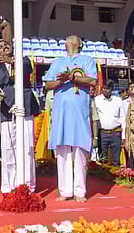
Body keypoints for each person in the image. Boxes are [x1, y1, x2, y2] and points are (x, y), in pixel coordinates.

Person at [42, 35, 97, 202]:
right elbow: (47, 84)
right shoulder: (58, 62)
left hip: (79, 112)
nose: (70, 39)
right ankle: (65, 191)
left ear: (80, 44)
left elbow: (92, 80)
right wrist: (61, 80)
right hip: (61, 112)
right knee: (63, 151)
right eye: (67, 38)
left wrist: (73, 78)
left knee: (80, 150)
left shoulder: (88, 60)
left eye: (74, 38)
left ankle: (80, 191)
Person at [0, 39, 41, 194]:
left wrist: (12, 62)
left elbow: (28, 70)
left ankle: (28, 185)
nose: (4, 47)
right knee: (8, 149)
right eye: (0, 47)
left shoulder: (24, 60)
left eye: (6, 45)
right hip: (7, 111)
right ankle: (8, 186)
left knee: (27, 147)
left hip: (25, 107)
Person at [93, 82, 124, 166]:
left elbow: (122, 118)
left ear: (112, 89)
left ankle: (115, 177)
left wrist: (123, 136)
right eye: (104, 88)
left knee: (115, 160)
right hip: (102, 133)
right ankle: (103, 178)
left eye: (108, 88)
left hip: (115, 133)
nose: (105, 90)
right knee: (103, 159)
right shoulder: (96, 100)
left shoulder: (118, 100)